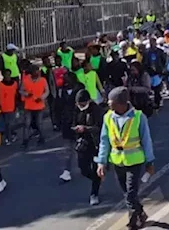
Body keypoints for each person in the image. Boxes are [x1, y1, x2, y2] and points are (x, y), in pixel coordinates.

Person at [96, 87, 155, 230]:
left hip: (134, 161)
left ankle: (133, 222)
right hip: (117, 161)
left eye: (111, 102)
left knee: (130, 193)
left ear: (121, 103)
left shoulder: (139, 117)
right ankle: (140, 212)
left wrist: (150, 162)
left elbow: (146, 140)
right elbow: (104, 141)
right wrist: (101, 162)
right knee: (127, 193)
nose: (108, 104)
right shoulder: (108, 117)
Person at [72, 90, 103, 205]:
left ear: (89, 101)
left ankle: (94, 193)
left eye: (83, 104)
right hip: (83, 143)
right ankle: (96, 180)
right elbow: (73, 122)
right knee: (83, 169)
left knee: (96, 169)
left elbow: (100, 127)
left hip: (96, 144)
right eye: (79, 104)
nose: (81, 107)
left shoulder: (97, 110)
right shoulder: (76, 109)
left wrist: (86, 128)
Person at [57, 72, 85, 183]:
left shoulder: (80, 88)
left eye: (67, 79)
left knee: (85, 146)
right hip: (67, 122)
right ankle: (67, 171)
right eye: (64, 79)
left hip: (79, 120)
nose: (65, 81)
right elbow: (60, 105)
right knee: (69, 148)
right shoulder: (62, 90)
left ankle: (92, 164)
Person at [20, 65, 49, 149]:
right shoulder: (25, 80)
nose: (36, 72)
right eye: (34, 71)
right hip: (28, 105)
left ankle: (42, 138)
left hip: (39, 106)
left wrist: (41, 98)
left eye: (37, 71)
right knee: (27, 124)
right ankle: (25, 140)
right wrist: (26, 94)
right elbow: (21, 90)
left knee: (39, 123)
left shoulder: (43, 80)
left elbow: (46, 91)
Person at [0, 69, 19, 145]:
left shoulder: (15, 84)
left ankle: (8, 138)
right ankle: (12, 134)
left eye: (9, 74)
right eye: (6, 74)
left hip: (12, 107)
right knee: (4, 124)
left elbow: (17, 95)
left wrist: (17, 105)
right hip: (1, 107)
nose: (7, 76)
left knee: (9, 124)